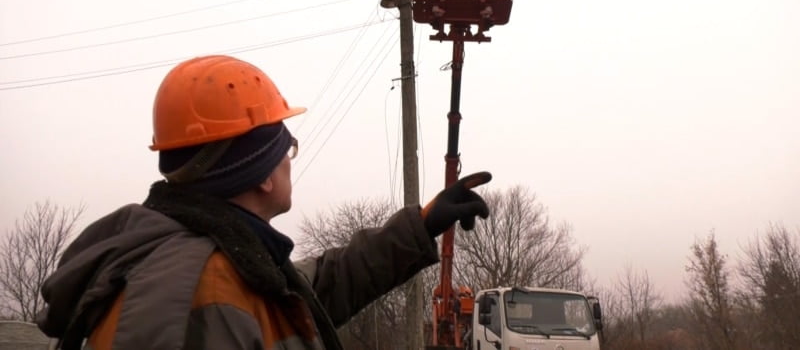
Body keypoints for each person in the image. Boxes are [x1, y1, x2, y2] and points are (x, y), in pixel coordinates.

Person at [35, 54, 493, 350]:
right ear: (259, 175)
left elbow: (313, 290)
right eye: (286, 150)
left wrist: (423, 222)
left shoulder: (225, 263)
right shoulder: (200, 297)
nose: (291, 161)